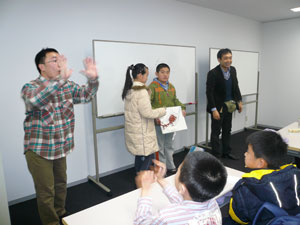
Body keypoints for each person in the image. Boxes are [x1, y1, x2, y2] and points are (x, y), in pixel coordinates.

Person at [21, 48, 99, 225]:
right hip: (39, 151)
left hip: (60, 147)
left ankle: (61, 214)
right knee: (46, 192)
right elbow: (36, 100)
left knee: (61, 185)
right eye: (54, 60)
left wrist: (93, 79)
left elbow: (87, 95)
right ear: (41, 66)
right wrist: (61, 80)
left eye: (60, 60)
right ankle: (51, 222)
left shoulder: (67, 85)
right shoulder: (30, 88)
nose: (60, 64)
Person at [225, 130, 300, 224]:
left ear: (261, 163)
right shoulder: (295, 175)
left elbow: (237, 217)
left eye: (248, 152)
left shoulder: (247, 187)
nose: (245, 154)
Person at [134, 151, 227, 224]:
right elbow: (185, 201)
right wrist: (160, 180)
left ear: (182, 188)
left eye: (178, 170)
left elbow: (142, 222)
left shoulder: (167, 217)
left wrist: (145, 190)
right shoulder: (212, 204)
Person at [122, 63, 166, 173]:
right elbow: (147, 113)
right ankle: (141, 181)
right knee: (148, 156)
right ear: (140, 76)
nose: (147, 78)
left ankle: (139, 176)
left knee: (140, 155)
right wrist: (162, 111)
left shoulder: (130, 89)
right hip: (142, 131)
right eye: (146, 75)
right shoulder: (141, 91)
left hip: (136, 130)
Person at [149, 63, 186, 174]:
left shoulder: (171, 87)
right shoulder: (152, 87)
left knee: (169, 145)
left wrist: (182, 108)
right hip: (159, 122)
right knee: (159, 146)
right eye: (162, 72)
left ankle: (170, 165)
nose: (165, 75)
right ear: (157, 73)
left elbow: (175, 100)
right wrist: (155, 115)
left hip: (170, 122)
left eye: (167, 72)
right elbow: (148, 104)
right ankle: (161, 168)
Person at [206, 48, 243, 160]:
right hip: (218, 107)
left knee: (227, 130)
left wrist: (239, 101)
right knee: (216, 132)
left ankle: (226, 152)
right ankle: (216, 155)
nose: (228, 60)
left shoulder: (233, 70)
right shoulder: (213, 73)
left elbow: (236, 86)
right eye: (226, 58)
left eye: (230, 58)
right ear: (219, 59)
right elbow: (209, 92)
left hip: (230, 105)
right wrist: (214, 109)